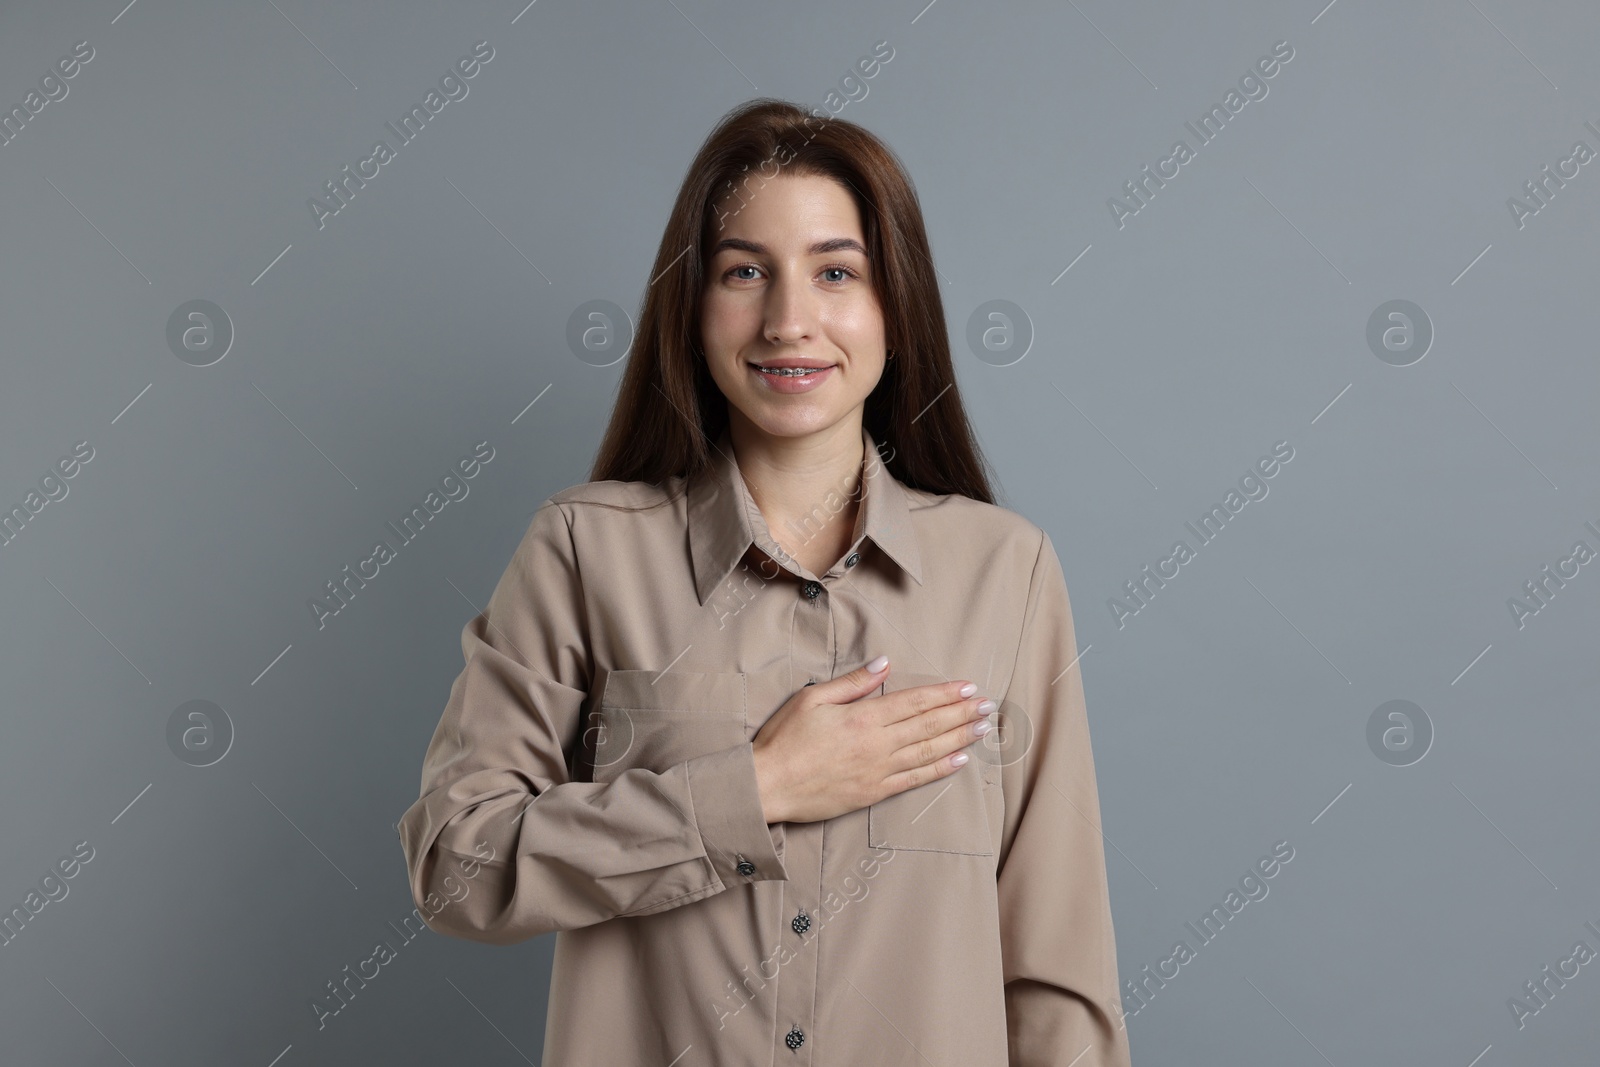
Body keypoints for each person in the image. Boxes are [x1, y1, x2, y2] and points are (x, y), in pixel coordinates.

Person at [397, 97, 1132, 1066]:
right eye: (746, 271)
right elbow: (455, 867)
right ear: (694, 303)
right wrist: (757, 787)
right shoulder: (583, 550)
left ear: (893, 306)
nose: (789, 320)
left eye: (836, 271)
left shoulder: (1009, 572)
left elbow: (1055, 969)